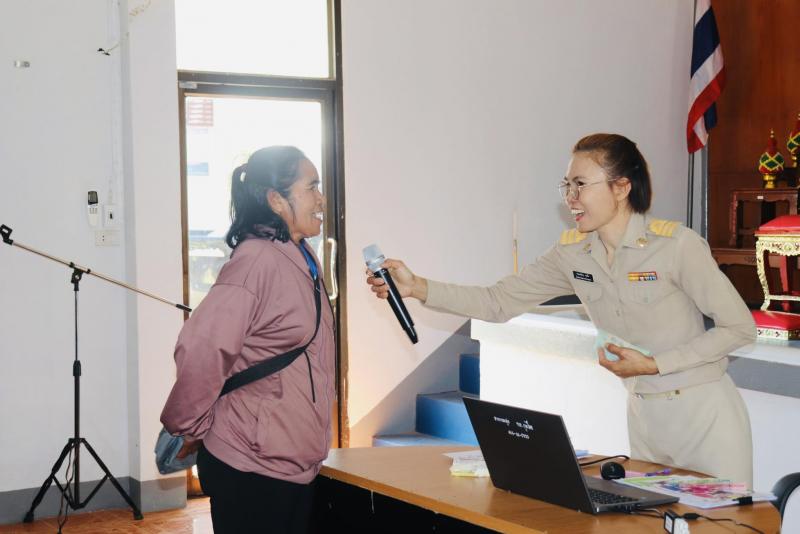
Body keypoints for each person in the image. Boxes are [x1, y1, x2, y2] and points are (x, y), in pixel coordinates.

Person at [366, 133, 756, 487]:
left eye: (581, 184)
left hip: (705, 417)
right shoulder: (572, 253)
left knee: (725, 528)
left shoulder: (676, 246)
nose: (570, 197)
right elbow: (498, 301)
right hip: (644, 420)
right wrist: (417, 287)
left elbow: (739, 328)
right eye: (567, 185)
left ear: (622, 187)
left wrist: (656, 364)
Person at [161, 146, 335, 533]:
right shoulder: (256, 261)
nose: (321, 199)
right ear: (276, 200)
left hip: (291, 462)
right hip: (250, 464)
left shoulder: (302, 256)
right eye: (312, 187)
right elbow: (201, 346)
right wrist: (188, 426)